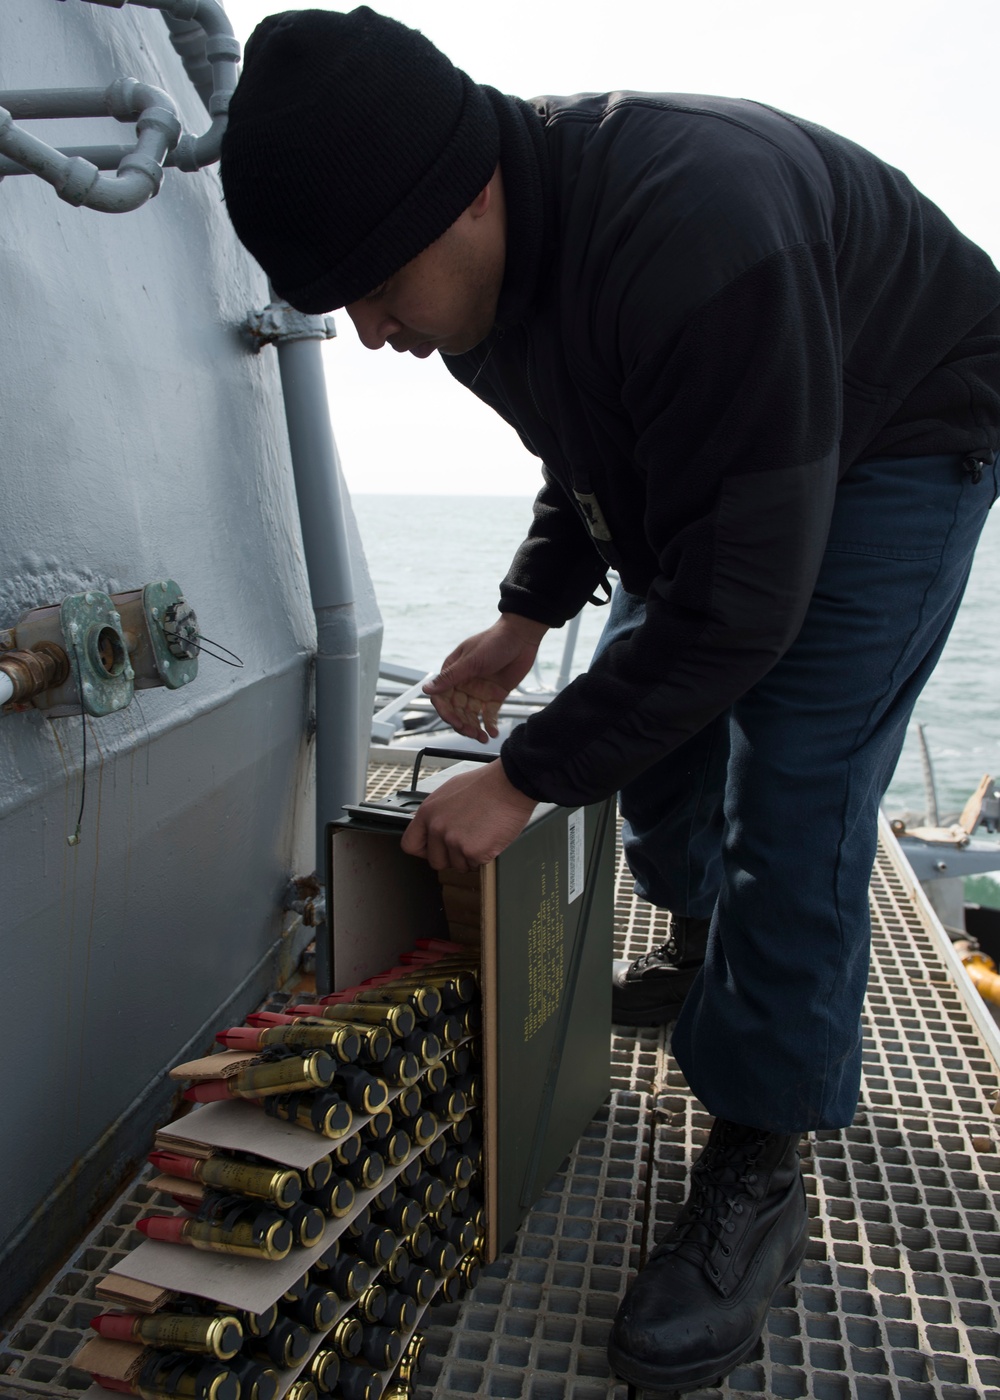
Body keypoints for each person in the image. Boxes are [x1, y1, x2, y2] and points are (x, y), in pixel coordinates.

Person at [219, 8, 1000, 1391]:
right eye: (342, 301)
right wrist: (524, 620)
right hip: (750, 427)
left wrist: (524, 775)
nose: (373, 330)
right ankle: (707, 956)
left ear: (468, 194)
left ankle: (764, 1153)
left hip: (905, 418)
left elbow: (745, 608)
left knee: (796, 784)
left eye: (380, 286)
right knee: (649, 736)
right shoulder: (474, 293)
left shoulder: (698, 229)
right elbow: (595, 457)